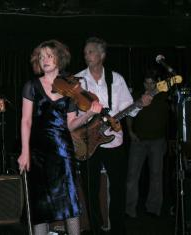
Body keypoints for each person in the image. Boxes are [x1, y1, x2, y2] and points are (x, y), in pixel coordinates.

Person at [17, 39, 102, 235]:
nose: (44, 60)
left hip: (63, 153)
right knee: (40, 208)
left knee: (70, 206)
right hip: (38, 155)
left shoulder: (72, 88)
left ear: (59, 58)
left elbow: (71, 124)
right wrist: (24, 151)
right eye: (41, 56)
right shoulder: (31, 86)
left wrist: (89, 113)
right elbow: (26, 121)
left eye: (49, 55)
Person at [75, 37, 152, 234]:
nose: (87, 55)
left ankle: (118, 228)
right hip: (87, 140)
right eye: (85, 52)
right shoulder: (78, 81)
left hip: (114, 141)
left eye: (91, 51)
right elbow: (72, 115)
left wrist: (140, 104)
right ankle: (95, 229)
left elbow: (128, 108)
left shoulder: (116, 79)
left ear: (102, 55)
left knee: (118, 189)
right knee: (90, 190)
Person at [125, 68, 169, 218]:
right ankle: (130, 209)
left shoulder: (163, 95)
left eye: (152, 83)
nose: (149, 87)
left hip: (157, 141)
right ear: (143, 84)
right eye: (147, 83)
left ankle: (153, 208)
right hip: (139, 141)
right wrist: (130, 132)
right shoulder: (137, 95)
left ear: (156, 84)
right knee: (132, 176)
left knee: (156, 176)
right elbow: (128, 115)